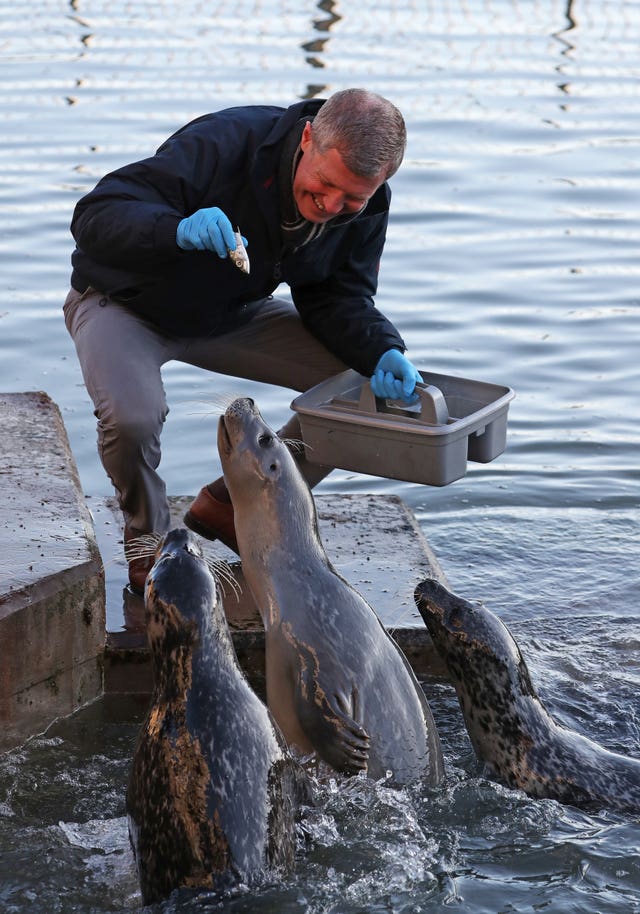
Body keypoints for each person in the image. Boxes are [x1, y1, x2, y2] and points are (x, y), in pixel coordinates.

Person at [64, 88, 422, 593]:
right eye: (326, 184)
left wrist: (384, 348)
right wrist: (175, 229)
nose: (332, 205)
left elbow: (337, 297)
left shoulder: (365, 207)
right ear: (306, 139)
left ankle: (231, 505)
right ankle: (150, 545)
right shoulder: (226, 142)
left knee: (360, 395)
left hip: (230, 312)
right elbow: (95, 215)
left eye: (353, 199)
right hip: (123, 302)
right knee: (133, 416)